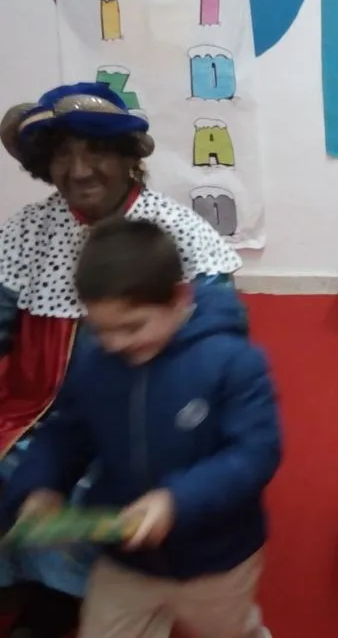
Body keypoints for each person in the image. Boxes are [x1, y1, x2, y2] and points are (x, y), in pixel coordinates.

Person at [0, 82, 242, 636]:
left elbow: (219, 356)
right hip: (34, 419)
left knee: (103, 485)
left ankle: (76, 601)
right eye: (63, 154)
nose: (79, 170)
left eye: (97, 151)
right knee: (23, 468)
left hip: (142, 419)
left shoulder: (178, 232)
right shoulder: (27, 230)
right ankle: (32, 588)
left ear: (129, 158)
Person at [0, 218, 280, 638]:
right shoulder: (97, 363)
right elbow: (67, 434)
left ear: (178, 298)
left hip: (215, 559)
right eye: (101, 329)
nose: (115, 343)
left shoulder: (232, 362)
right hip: (125, 558)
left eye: (132, 327)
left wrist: (176, 500)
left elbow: (254, 454)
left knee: (227, 631)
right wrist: (41, 486)